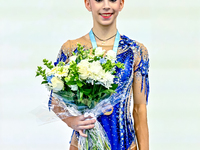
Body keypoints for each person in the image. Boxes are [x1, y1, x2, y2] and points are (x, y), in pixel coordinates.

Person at [51, 0, 149, 149]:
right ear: (88, 4)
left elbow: (139, 109)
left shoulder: (136, 51)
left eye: (113, 0)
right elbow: (54, 101)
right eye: (98, 0)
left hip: (125, 145)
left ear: (121, 4)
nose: (106, 6)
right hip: (83, 144)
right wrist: (71, 120)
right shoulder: (71, 49)